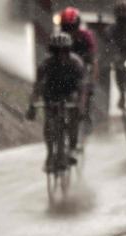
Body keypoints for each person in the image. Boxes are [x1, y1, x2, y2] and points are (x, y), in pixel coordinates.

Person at [26, 33, 86, 169]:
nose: (60, 55)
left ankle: (72, 147)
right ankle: (50, 153)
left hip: (70, 91)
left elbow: (82, 88)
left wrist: (81, 107)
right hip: (52, 92)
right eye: (56, 51)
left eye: (64, 51)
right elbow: (37, 87)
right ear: (52, 51)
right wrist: (32, 106)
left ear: (69, 50)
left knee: (74, 117)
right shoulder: (45, 64)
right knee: (49, 121)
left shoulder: (76, 63)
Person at [59, 7, 98, 127]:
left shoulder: (86, 36)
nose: (69, 31)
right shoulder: (58, 38)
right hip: (64, 69)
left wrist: (92, 79)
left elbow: (93, 59)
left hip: (82, 69)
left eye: (72, 27)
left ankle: (86, 113)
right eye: (66, 27)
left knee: (86, 87)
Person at [105, 1, 126, 109]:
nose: (125, 23)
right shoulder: (111, 29)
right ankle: (122, 95)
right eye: (122, 19)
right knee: (118, 68)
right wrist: (113, 56)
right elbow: (109, 45)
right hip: (120, 53)